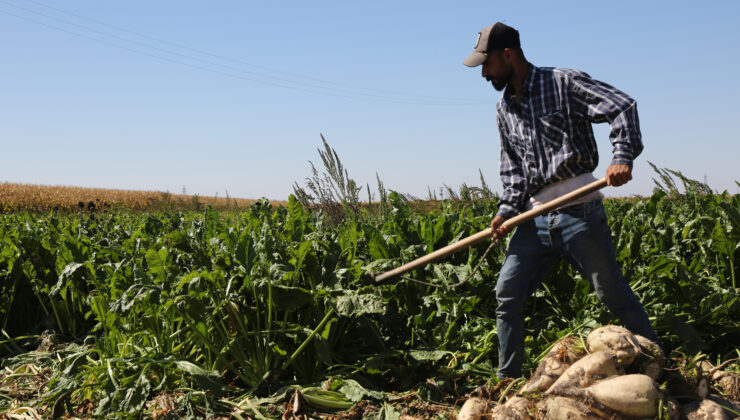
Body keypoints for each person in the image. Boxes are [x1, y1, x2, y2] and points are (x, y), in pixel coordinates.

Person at [463, 22, 660, 379]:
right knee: (508, 293)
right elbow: (513, 173)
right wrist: (506, 212)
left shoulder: (562, 82)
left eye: (486, 63)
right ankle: (507, 381)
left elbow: (621, 106)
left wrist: (622, 156)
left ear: (507, 55)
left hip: (579, 208)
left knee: (611, 293)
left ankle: (658, 364)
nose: (484, 73)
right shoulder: (503, 108)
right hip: (533, 217)